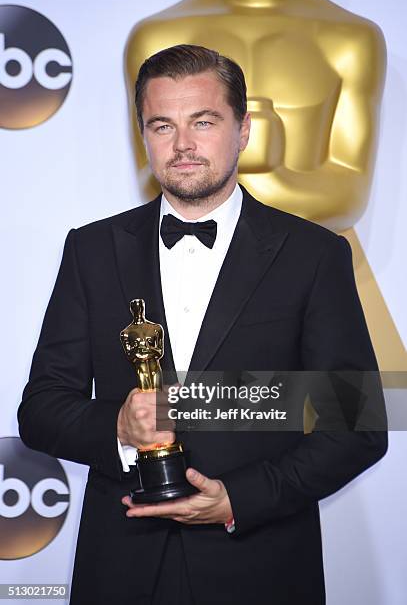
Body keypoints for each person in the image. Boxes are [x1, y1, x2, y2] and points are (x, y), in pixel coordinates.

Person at [19, 45, 387, 605]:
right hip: (121, 566)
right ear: (143, 135)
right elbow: (43, 408)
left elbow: (357, 426)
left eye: (204, 122)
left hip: (262, 566)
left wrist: (239, 498)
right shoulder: (91, 250)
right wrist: (118, 428)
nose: (183, 145)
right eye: (162, 125)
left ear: (242, 130)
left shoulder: (313, 254)